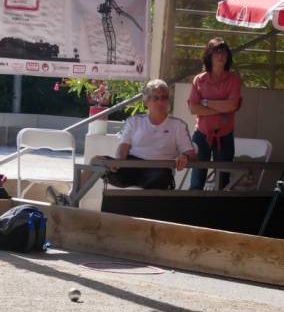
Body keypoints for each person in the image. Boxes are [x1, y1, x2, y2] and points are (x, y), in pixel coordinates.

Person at [48, 79, 196, 205]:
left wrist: (185, 157)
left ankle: (149, 214)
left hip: (158, 171)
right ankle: (70, 198)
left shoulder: (178, 125)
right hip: (130, 166)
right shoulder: (135, 121)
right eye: (155, 98)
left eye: (164, 97)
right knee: (96, 161)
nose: (160, 102)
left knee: (161, 178)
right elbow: (123, 146)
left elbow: (190, 153)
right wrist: (119, 161)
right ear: (146, 101)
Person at [188, 37, 242, 190]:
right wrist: (222, 107)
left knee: (223, 182)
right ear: (209, 56)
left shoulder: (234, 80)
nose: (221, 56)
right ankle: (192, 210)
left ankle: (219, 212)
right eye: (216, 52)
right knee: (197, 181)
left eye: (224, 52)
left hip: (225, 135)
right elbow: (193, 109)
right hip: (201, 134)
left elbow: (232, 105)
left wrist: (205, 102)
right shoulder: (199, 80)